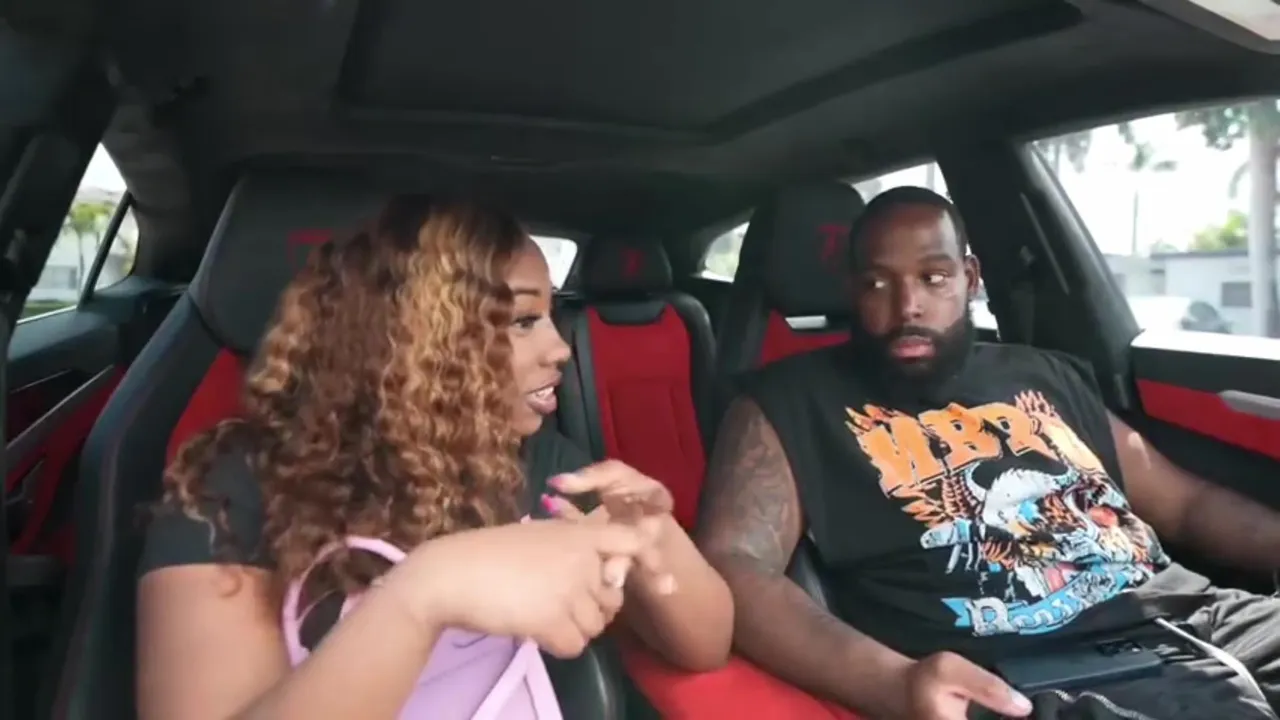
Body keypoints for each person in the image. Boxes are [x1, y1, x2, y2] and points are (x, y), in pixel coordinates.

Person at [137, 195, 733, 719]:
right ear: (418, 338)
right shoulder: (235, 486)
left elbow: (706, 645)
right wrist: (422, 595)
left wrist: (654, 535)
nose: (560, 349)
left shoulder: (540, 463)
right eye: (523, 321)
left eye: (550, 317)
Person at [696, 185, 1280, 719]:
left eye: (934, 277)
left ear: (970, 277)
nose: (908, 306)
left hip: (1201, 620)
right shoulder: (788, 403)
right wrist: (893, 682)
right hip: (1028, 674)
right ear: (852, 287)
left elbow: (1186, 505)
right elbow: (734, 564)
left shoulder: (1043, 375)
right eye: (878, 283)